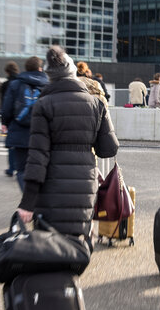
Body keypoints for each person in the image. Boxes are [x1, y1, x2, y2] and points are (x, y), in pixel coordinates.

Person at [17, 46, 119, 242]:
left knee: (50, 247)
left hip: (51, 189)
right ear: (73, 72)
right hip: (84, 187)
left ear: (51, 77)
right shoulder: (96, 104)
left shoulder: (43, 105)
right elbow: (109, 149)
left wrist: (27, 202)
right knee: (76, 246)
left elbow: (37, 156)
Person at [1, 56, 49, 191]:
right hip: (42, 134)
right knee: (42, 168)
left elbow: (7, 108)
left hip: (19, 132)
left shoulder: (15, 84)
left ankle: (28, 202)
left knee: (21, 169)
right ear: (40, 68)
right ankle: (39, 200)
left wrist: (5, 122)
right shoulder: (48, 85)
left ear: (26, 68)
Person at [0, 61, 20, 177]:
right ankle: (19, 167)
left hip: (11, 118)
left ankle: (11, 168)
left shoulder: (6, 84)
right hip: (23, 116)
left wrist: (4, 122)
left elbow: (5, 105)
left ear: (7, 72)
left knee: (12, 145)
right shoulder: (22, 82)